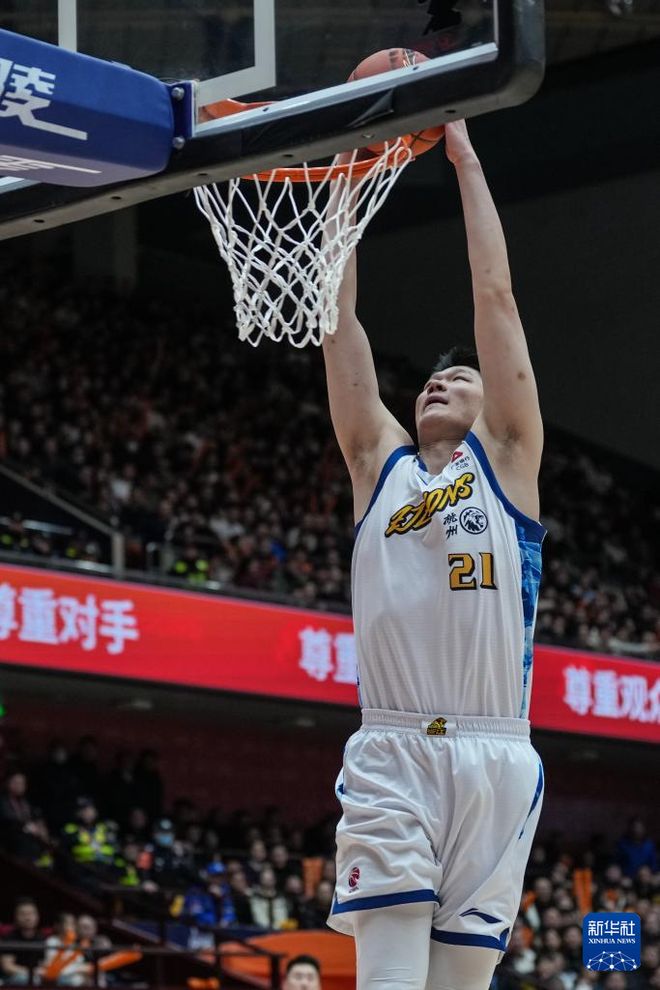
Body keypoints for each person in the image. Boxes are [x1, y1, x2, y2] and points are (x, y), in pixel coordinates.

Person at [323, 120, 545, 990]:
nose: (436, 382)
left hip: (497, 754)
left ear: (495, 404)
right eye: (428, 379)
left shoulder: (509, 459)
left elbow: (497, 299)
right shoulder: (375, 463)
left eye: (460, 378)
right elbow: (336, 321)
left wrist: (465, 157)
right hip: (393, 750)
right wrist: (348, 184)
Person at [0, 898, 45, 985]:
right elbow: (7, 967)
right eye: (23, 914)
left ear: (37, 916)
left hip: (36, 976)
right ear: (16, 917)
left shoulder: (42, 938)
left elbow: (43, 964)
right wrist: (30, 972)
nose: (27, 918)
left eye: (31, 913)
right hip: (12, 978)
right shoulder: (9, 938)